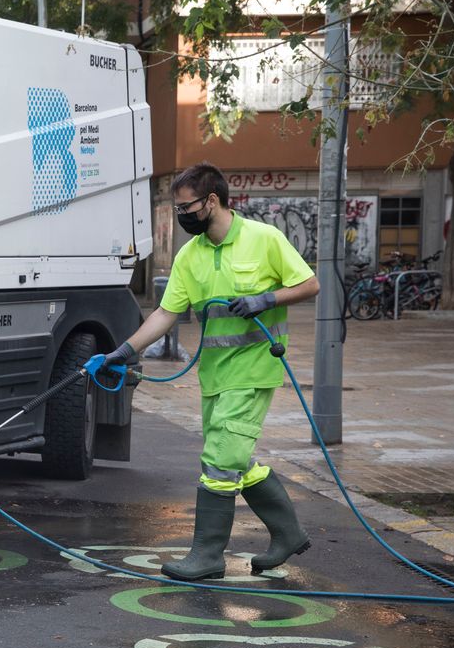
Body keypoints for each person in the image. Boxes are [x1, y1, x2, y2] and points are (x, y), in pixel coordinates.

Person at [90, 162, 321, 581]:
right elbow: (166, 313)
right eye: (177, 209)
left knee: (219, 460)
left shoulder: (263, 239)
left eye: (186, 207)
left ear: (212, 201)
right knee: (236, 459)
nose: (181, 215)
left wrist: (266, 299)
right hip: (214, 377)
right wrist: (122, 351)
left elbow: (309, 284)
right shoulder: (190, 255)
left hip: (253, 371)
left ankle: (208, 555)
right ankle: (288, 533)